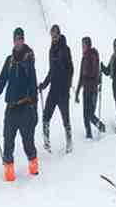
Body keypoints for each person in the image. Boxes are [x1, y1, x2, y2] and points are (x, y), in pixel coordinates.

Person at [0, 27, 39, 181]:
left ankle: (34, 173)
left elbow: (33, 86)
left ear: (23, 40)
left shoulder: (29, 60)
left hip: (26, 108)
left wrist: (35, 110)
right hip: (11, 109)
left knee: (28, 143)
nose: (18, 41)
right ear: (13, 41)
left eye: (20, 38)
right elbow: (1, 83)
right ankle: (9, 178)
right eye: (16, 39)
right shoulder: (9, 61)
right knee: (8, 142)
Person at [37, 24, 74, 154]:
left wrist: (68, 84)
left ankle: (69, 142)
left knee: (65, 118)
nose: (53, 38)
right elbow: (51, 71)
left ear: (59, 34)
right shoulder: (51, 50)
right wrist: (44, 84)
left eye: (55, 35)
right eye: (52, 36)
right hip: (53, 90)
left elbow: (71, 68)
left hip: (63, 91)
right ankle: (46, 144)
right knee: (46, 116)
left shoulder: (65, 49)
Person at [75, 36, 106, 138]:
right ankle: (89, 135)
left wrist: (88, 77)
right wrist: (77, 92)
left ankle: (101, 126)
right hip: (86, 91)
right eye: (82, 45)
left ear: (88, 45)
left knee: (90, 115)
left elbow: (94, 73)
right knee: (85, 116)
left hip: (92, 90)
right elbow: (81, 76)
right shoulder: (84, 58)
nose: (82, 47)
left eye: (84, 45)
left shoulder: (93, 56)